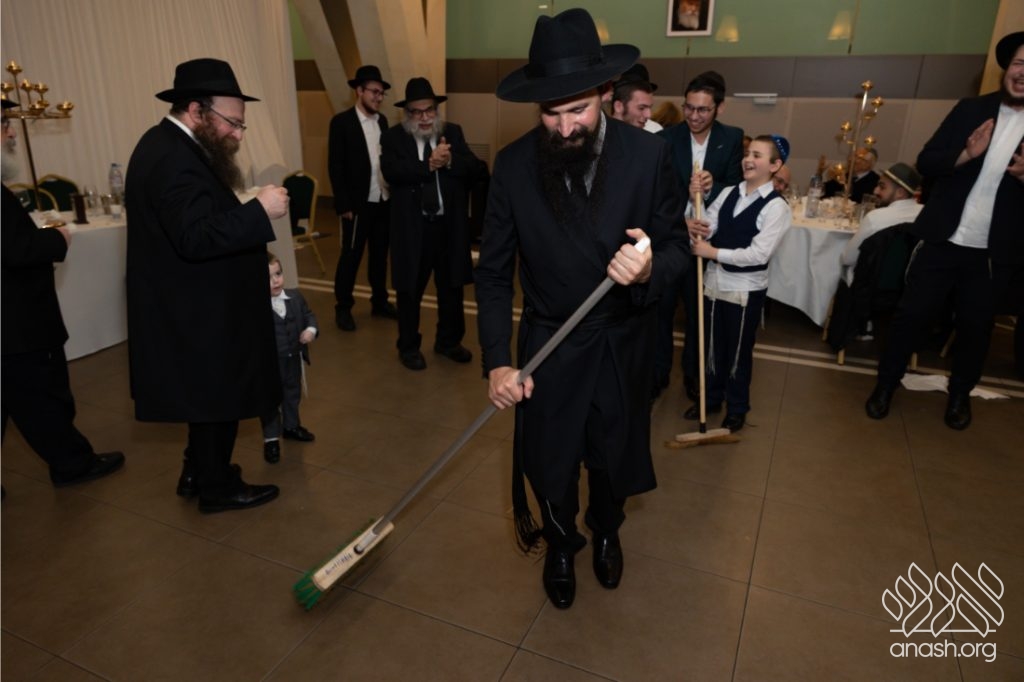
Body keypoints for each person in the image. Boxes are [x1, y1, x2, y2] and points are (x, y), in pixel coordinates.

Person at [476, 8, 688, 610]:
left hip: (622, 339)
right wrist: (496, 361)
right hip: (549, 342)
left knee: (613, 454)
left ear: (605, 94)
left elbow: (677, 248)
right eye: (551, 113)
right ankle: (562, 542)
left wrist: (647, 268)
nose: (566, 127)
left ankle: (607, 529)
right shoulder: (514, 165)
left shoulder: (647, 157)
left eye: (578, 110)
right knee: (552, 458)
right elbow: (492, 272)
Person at [125, 58, 289, 513]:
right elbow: (194, 237)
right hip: (197, 307)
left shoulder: (172, 145)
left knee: (207, 396)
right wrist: (258, 211)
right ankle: (217, 488)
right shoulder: (173, 158)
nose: (238, 134)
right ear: (197, 110)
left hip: (195, 300)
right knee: (219, 396)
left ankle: (197, 470)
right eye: (232, 122)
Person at [865, 32, 1024, 431]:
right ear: (1007, 67)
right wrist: (966, 153)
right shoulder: (972, 110)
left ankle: (959, 396)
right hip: (942, 239)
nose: (1023, 74)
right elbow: (927, 161)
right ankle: (885, 385)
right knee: (911, 317)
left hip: (992, 254)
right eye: (1020, 63)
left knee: (975, 329)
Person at [1, 99, 125, 489]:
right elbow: (14, 250)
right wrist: (56, 239)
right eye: (4, 124)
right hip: (16, 321)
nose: (11, 132)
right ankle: (73, 464)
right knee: (41, 397)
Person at [684, 135, 792, 432]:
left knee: (737, 352)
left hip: (745, 289)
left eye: (757, 155)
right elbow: (707, 226)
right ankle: (711, 398)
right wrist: (696, 208)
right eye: (747, 153)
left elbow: (759, 254)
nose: (748, 159)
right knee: (712, 345)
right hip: (714, 282)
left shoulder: (777, 208)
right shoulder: (729, 192)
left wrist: (713, 253)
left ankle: (737, 407)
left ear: (774, 165)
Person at [381, 77, 481, 371]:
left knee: (451, 288)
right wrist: (428, 165)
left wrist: (449, 162)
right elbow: (392, 171)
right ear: (407, 113)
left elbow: (475, 169)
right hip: (413, 229)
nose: (424, 117)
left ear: (437, 110)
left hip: (448, 228)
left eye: (429, 110)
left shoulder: (453, 133)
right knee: (409, 290)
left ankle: (448, 342)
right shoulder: (393, 138)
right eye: (417, 112)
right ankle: (408, 346)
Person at [656, 71, 745, 402]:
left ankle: (695, 376)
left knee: (699, 315)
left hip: (707, 242)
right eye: (689, 107)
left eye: (703, 110)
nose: (694, 116)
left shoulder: (732, 138)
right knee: (661, 312)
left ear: (719, 108)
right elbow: (658, 193)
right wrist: (681, 221)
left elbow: (738, 190)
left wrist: (711, 187)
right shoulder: (666, 138)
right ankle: (658, 373)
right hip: (672, 239)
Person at [327, 65, 397, 331]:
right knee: (351, 256)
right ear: (359, 90)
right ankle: (343, 307)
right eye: (374, 92)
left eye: (381, 93)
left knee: (380, 256)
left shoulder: (383, 122)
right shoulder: (341, 122)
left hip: (382, 200)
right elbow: (335, 165)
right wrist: (343, 203)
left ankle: (380, 301)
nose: (378, 97)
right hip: (356, 205)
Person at [261, 252, 318, 464]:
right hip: (270, 363)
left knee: (293, 392)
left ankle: (291, 426)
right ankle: (271, 439)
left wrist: (311, 330)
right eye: (268, 277)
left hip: (293, 357)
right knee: (270, 400)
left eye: (278, 274)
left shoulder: (295, 297)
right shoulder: (256, 307)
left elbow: (309, 315)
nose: (275, 280)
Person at [839, 162, 922, 285]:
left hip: (869, 287)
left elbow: (848, 259)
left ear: (900, 193)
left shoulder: (876, 217)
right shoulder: (925, 214)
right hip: (907, 286)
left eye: (882, 187)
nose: (875, 191)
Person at [610, 63, 661, 132]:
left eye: (650, 107)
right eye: (641, 108)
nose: (649, 115)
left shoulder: (654, 131)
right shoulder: (600, 133)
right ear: (618, 106)